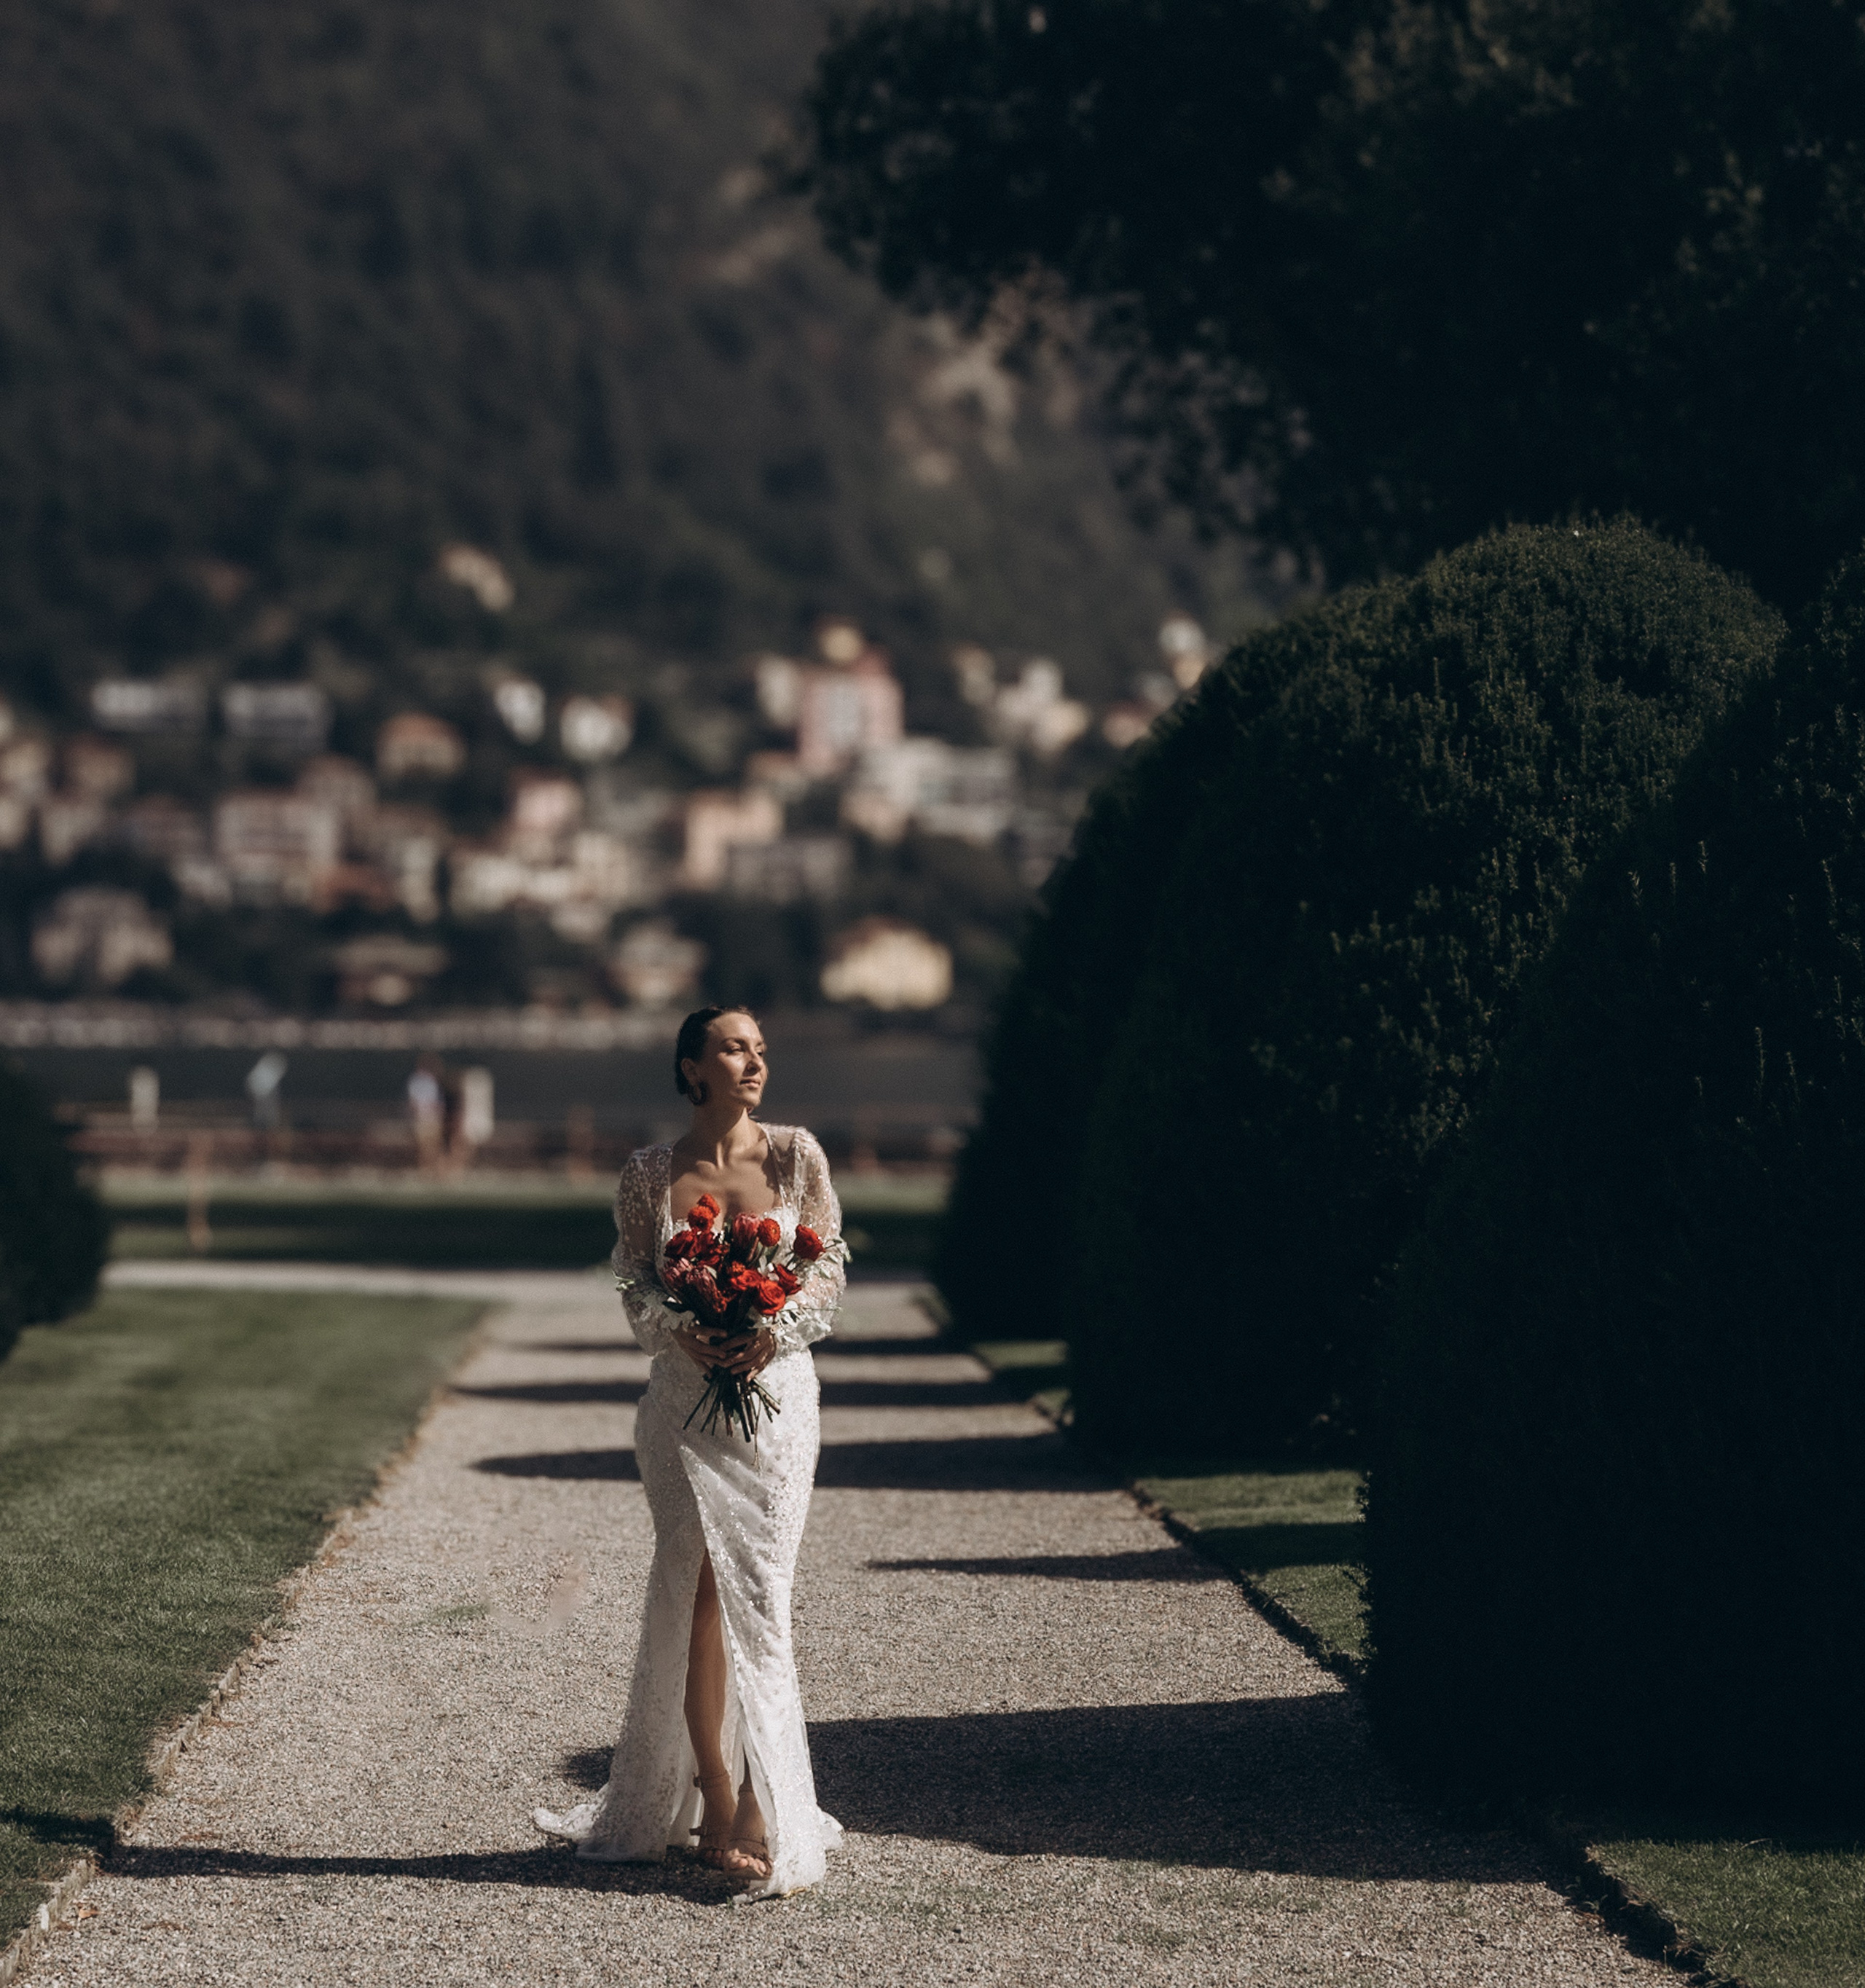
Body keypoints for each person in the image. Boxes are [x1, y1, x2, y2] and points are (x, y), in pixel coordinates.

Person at [533, 1005, 847, 1898]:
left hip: (779, 1404)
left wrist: (772, 1327)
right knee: (694, 1584)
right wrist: (684, 1330)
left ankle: (764, 1795)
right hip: (679, 1407)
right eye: (733, 1047)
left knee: (758, 1588)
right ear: (690, 1065)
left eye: (759, 1049)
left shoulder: (796, 1156)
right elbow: (635, 1285)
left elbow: (828, 1268)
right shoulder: (645, 1173)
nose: (753, 1061)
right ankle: (715, 1788)